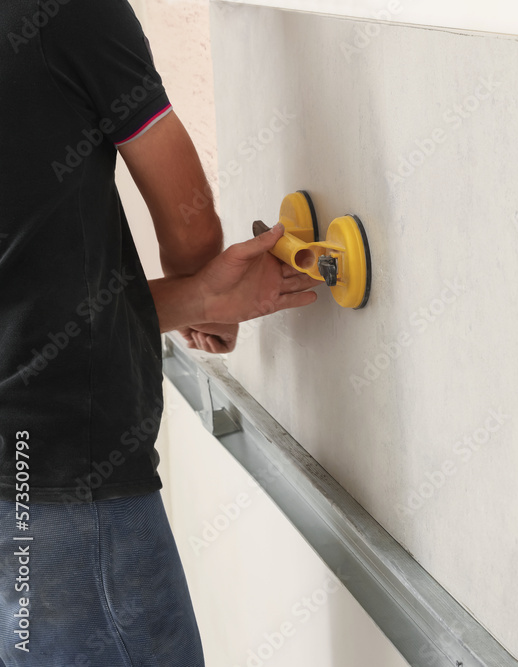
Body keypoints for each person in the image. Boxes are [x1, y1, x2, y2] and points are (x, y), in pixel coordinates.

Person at [0, 0, 322, 664]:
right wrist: (206, 289)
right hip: (65, 497)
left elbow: (35, 304)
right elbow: (187, 211)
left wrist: (202, 296)